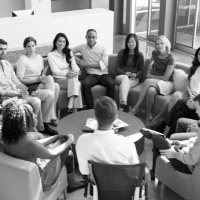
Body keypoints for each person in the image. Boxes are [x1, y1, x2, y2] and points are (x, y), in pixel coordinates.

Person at [1, 99, 85, 193]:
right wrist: (69, 140)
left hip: (19, 175)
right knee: (64, 143)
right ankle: (75, 180)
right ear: (24, 121)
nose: (35, 115)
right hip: (39, 180)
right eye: (32, 113)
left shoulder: (7, 138)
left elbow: (36, 145)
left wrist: (55, 137)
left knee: (68, 154)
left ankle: (72, 183)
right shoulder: (29, 144)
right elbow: (51, 153)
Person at [0, 39, 56, 135]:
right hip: (6, 98)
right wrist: (15, 93)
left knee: (49, 94)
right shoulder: (22, 59)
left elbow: (17, 82)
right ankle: (40, 128)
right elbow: (2, 92)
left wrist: (28, 90)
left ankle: (45, 122)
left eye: (5, 49)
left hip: (18, 93)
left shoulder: (7, 64)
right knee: (36, 101)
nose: (3, 52)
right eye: (1, 49)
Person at [140, 94, 200, 178]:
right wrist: (183, 143)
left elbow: (191, 160)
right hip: (186, 152)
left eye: (197, 108)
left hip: (187, 166)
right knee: (179, 114)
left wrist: (174, 154)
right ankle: (163, 138)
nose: (196, 111)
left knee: (157, 140)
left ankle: (154, 172)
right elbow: (196, 140)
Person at [76, 96, 139, 175]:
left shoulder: (82, 140)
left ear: (95, 117)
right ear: (116, 117)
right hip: (123, 185)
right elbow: (135, 170)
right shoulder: (127, 143)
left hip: (97, 186)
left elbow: (84, 171)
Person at [149, 46, 200, 128]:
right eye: (199, 54)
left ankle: (162, 123)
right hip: (188, 92)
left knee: (168, 103)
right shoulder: (195, 67)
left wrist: (195, 96)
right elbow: (188, 81)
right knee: (176, 95)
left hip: (198, 97)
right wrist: (190, 92)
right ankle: (163, 123)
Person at [129, 35, 175, 125]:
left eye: (162, 43)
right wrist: (150, 68)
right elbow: (150, 63)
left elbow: (166, 78)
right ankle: (147, 116)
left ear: (166, 44)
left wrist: (151, 76)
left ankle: (135, 108)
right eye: (157, 44)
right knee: (150, 91)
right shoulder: (155, 53)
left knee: (147, 81)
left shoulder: (170, 58)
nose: (159, 45)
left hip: (167, 83)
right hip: (156, 82)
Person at [16, 37, 60, 127]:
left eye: (33, 46)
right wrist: (36, 80)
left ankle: (50, 115)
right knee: (55, 87)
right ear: (25, 48)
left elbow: (41, 72)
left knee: (50, 79)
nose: (31, 48)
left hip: (38, 82)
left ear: (36, 46)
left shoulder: (39, 57)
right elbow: (19, 79)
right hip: (28, 84)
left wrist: (41, 76)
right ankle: (52, 116)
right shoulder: (22, 60)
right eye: (28, 46)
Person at [72, 29, 115, 109]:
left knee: (111, 83)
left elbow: (103, 65)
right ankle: (91, 108)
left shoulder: (103, 48)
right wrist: (76, 59)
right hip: (91, 75)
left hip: (103, 74)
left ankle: (108, 107)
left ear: (96, 38)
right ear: (86, 37)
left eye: (93, 37)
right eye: (89, 37)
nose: (91, 39)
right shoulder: (82, 47)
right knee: (85, 84)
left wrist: (86, 65)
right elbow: (69, 51)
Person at [48, 33, 83, 113]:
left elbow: (74, 65)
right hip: (58, 79)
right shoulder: (51, 55)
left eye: (64, 42)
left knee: (75, 79)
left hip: (70, 78)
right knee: (77, 84)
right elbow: (55, 71)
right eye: (60, 41)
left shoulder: (69, 52)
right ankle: (74, 109)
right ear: (55, 43)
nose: (62, 43)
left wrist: (77, 71)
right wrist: (66, 74)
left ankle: (71, 104)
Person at [115, 33, 144, 111]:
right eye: (129, 42)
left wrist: (136, 75)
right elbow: (116, 67)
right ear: (126, 43)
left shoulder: (140, 55)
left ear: (136, 42)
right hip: (121, 77)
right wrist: (125, 73)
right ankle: (124, 102)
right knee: (125, 79)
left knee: (124, 85)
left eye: (132, 42)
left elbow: (141, 70)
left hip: (134, 79)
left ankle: (121, 107)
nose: (131, 44)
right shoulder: (121, 52)